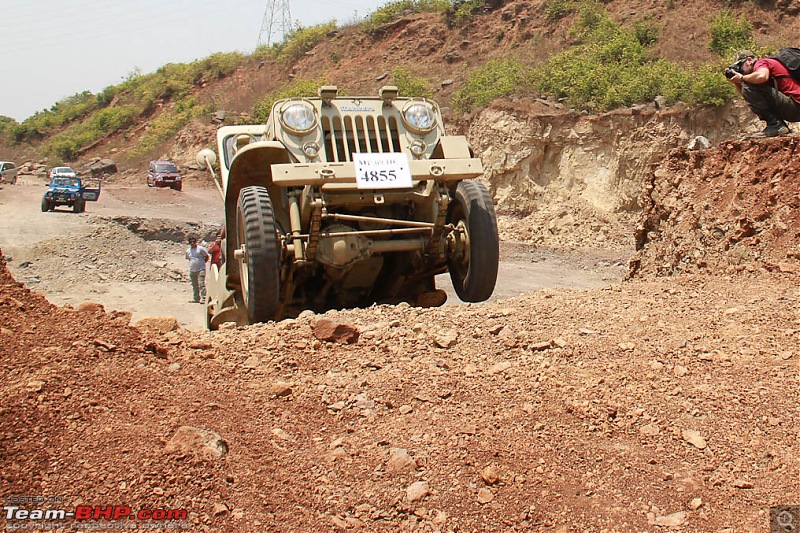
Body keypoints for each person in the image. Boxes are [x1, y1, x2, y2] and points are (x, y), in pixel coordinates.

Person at [728, 49, 800, 137]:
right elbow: (748, 96)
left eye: (740, 66)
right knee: (748, 84)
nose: (740, 70)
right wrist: (736, 82)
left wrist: (742, 78)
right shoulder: (754, 76)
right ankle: (776, 125)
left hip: (795, 106)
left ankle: (775, 125)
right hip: (794, 108)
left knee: (749, 83)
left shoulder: (762, 63)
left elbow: (762, 76)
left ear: (749, 60)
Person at [185, 237, 209, 303]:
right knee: (194, 285)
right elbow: (189, 258)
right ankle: (196, 298)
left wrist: (202, 263)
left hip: (201, 269)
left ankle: (204, 298)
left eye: (194, 242)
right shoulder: (188, 251)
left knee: (201, 284)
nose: (192, 243)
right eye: (191, 242)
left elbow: (206, 256)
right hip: (192, 269)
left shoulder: (200, 249)